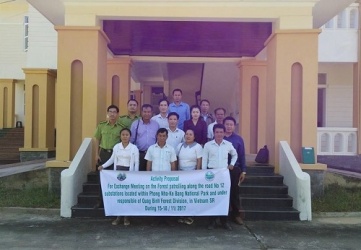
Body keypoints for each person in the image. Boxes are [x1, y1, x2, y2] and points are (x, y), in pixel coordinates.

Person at [98, 128, 139, 226]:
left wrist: (135, 175)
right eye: (123, 135)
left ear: (130, 136)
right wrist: (103, 166)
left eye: (127, 135)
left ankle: (126, 217)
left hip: (129, 174)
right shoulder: (116, 147)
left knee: (127, 196)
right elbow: (112, 160)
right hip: (117, 175)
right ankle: (118, 217)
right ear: (120, 136)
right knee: (119, 196)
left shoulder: (134, 148)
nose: (125, 136)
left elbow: (136, 163)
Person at [202, 124, 237, 231]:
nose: (219, 134)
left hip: (224, 174)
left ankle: (224, 221)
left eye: (221, 132)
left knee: (224, 198)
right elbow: (204, 160)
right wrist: (203, 173)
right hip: (211, 175)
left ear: (224, 133)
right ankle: (212, 221)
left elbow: (235, 154)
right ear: (213, 133)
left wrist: (232, 164)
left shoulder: (228, 144)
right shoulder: (208, 145)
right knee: (212, 198)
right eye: (217, 132)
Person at [93, 104, 124, 208]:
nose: (112, 114)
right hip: (103, 154)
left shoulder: (121, 128)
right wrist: (96, 154)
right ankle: (100, 201)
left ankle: (112, 201)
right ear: (107, 113)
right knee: (101, 178)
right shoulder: (102, 126)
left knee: (114, 179)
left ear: (117, 114)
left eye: (114, 112)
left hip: (115, 155)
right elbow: (97, 139)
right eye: (110, 112)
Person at [223, 116, 247, 225]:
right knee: (222, 192)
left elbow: (241, 156)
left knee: (234, 192)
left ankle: (236, 215)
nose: (228, 126)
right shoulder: (219, 138)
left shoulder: (238, 139)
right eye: (227, 124)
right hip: (221, 170)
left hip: (234, 170)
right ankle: (222, 216)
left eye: (231, 125)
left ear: (234, 126)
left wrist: (243, 170)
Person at [176, 128, 202, 225]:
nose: (188, 136)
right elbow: (177, 159)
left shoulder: (198, 147)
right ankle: (181, 215)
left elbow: (199, 160)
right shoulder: (180, 146)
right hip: (181, 173)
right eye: (187, 134)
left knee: (190, 196)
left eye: (190, 134)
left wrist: (198, 173)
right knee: (181, 196)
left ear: (194, 136)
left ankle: (190, 215)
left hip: (192, 174)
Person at [130, 104, 159, 171]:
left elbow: (158, 139)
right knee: (139, 173)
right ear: (141, 112)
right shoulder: (135, 124)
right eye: (145, 112)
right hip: (139, 154)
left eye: (149, 112)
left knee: (151, 173)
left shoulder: (156, 124)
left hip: (153, 154)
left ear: (152, 113)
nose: (147, 114)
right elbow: (131, 139)